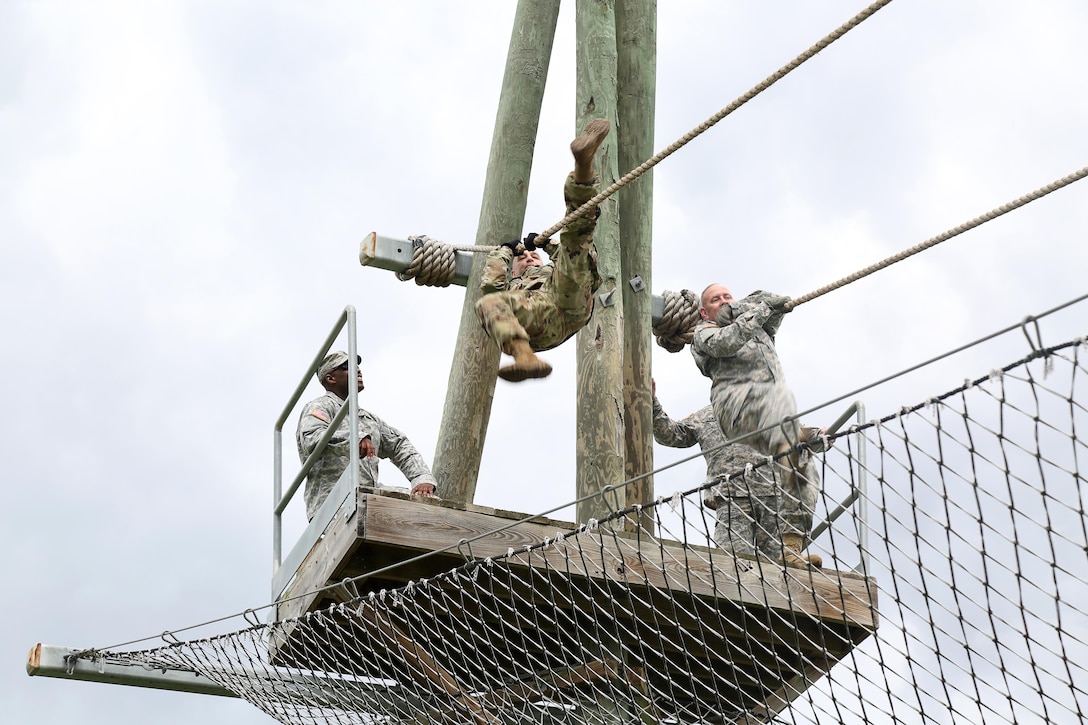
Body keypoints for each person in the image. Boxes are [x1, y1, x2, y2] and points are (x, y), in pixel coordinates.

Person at [689, 284, 822, 567]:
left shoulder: (759, 330)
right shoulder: (704, 333)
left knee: (802, 461)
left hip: (769, 410)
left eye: (728, 297)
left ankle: (790, 547)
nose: (724, 301)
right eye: (716, 300)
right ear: (705, 311)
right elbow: (727, 342)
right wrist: (758, 310)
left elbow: (775, 311)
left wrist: (770, 304)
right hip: (736, 407)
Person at [475, 118, 610, 382]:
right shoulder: (513, 287)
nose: (528, 258)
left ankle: (584, 166)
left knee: (575, 238)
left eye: (531, 255)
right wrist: (505, 251)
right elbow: (491, 287)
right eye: (522, 259)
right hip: (539, 318)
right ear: (513, 270)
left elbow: (567, 255)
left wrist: (546, 244)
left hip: (567, 296)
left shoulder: (551, 270)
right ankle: (524, 356)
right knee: (488, 302)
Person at [652, 380, 825, 569]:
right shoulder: (706, 415)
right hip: (733, 499)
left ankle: (792, 552)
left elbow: (801, 435)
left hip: (773, 499)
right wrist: (652, 402)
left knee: (778, 570)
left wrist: (820, 436)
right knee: (732, 566)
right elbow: (671, 434)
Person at [296, 351, 437, 521]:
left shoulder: (368, 419)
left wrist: (421, 479)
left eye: (358, 366)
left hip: (366, 498)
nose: (358, 370)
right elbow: (313, 438)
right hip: (332, 506)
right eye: (347, 367)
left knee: (429, 504)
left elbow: (399, 444)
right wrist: (354, 439)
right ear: (331, 378)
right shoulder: (320, 407)